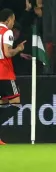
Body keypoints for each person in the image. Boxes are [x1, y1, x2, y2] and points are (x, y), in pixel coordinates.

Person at [0, 9, 26, 145]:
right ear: (8, 20)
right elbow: (7, 53)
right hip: (4, 73)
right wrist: (18, 49)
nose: (13, 23)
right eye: (13, 20)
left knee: (3, 103)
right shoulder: (7, 32)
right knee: (16, 104)